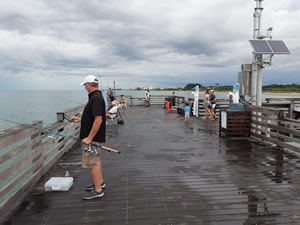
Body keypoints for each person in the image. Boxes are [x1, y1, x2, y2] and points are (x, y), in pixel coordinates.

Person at [72, 75, 106, 200]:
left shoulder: (95, 98)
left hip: (92, 137)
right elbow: (93, 116)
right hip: (93, 136)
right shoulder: (96, 96)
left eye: (85, 85)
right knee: (96, 159)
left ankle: (98, 190)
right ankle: (100, 182)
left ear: (90, 84)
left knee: (92, 162)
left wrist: (89, 138)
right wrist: (81, 119)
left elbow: (98, 120)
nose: (85, 87)